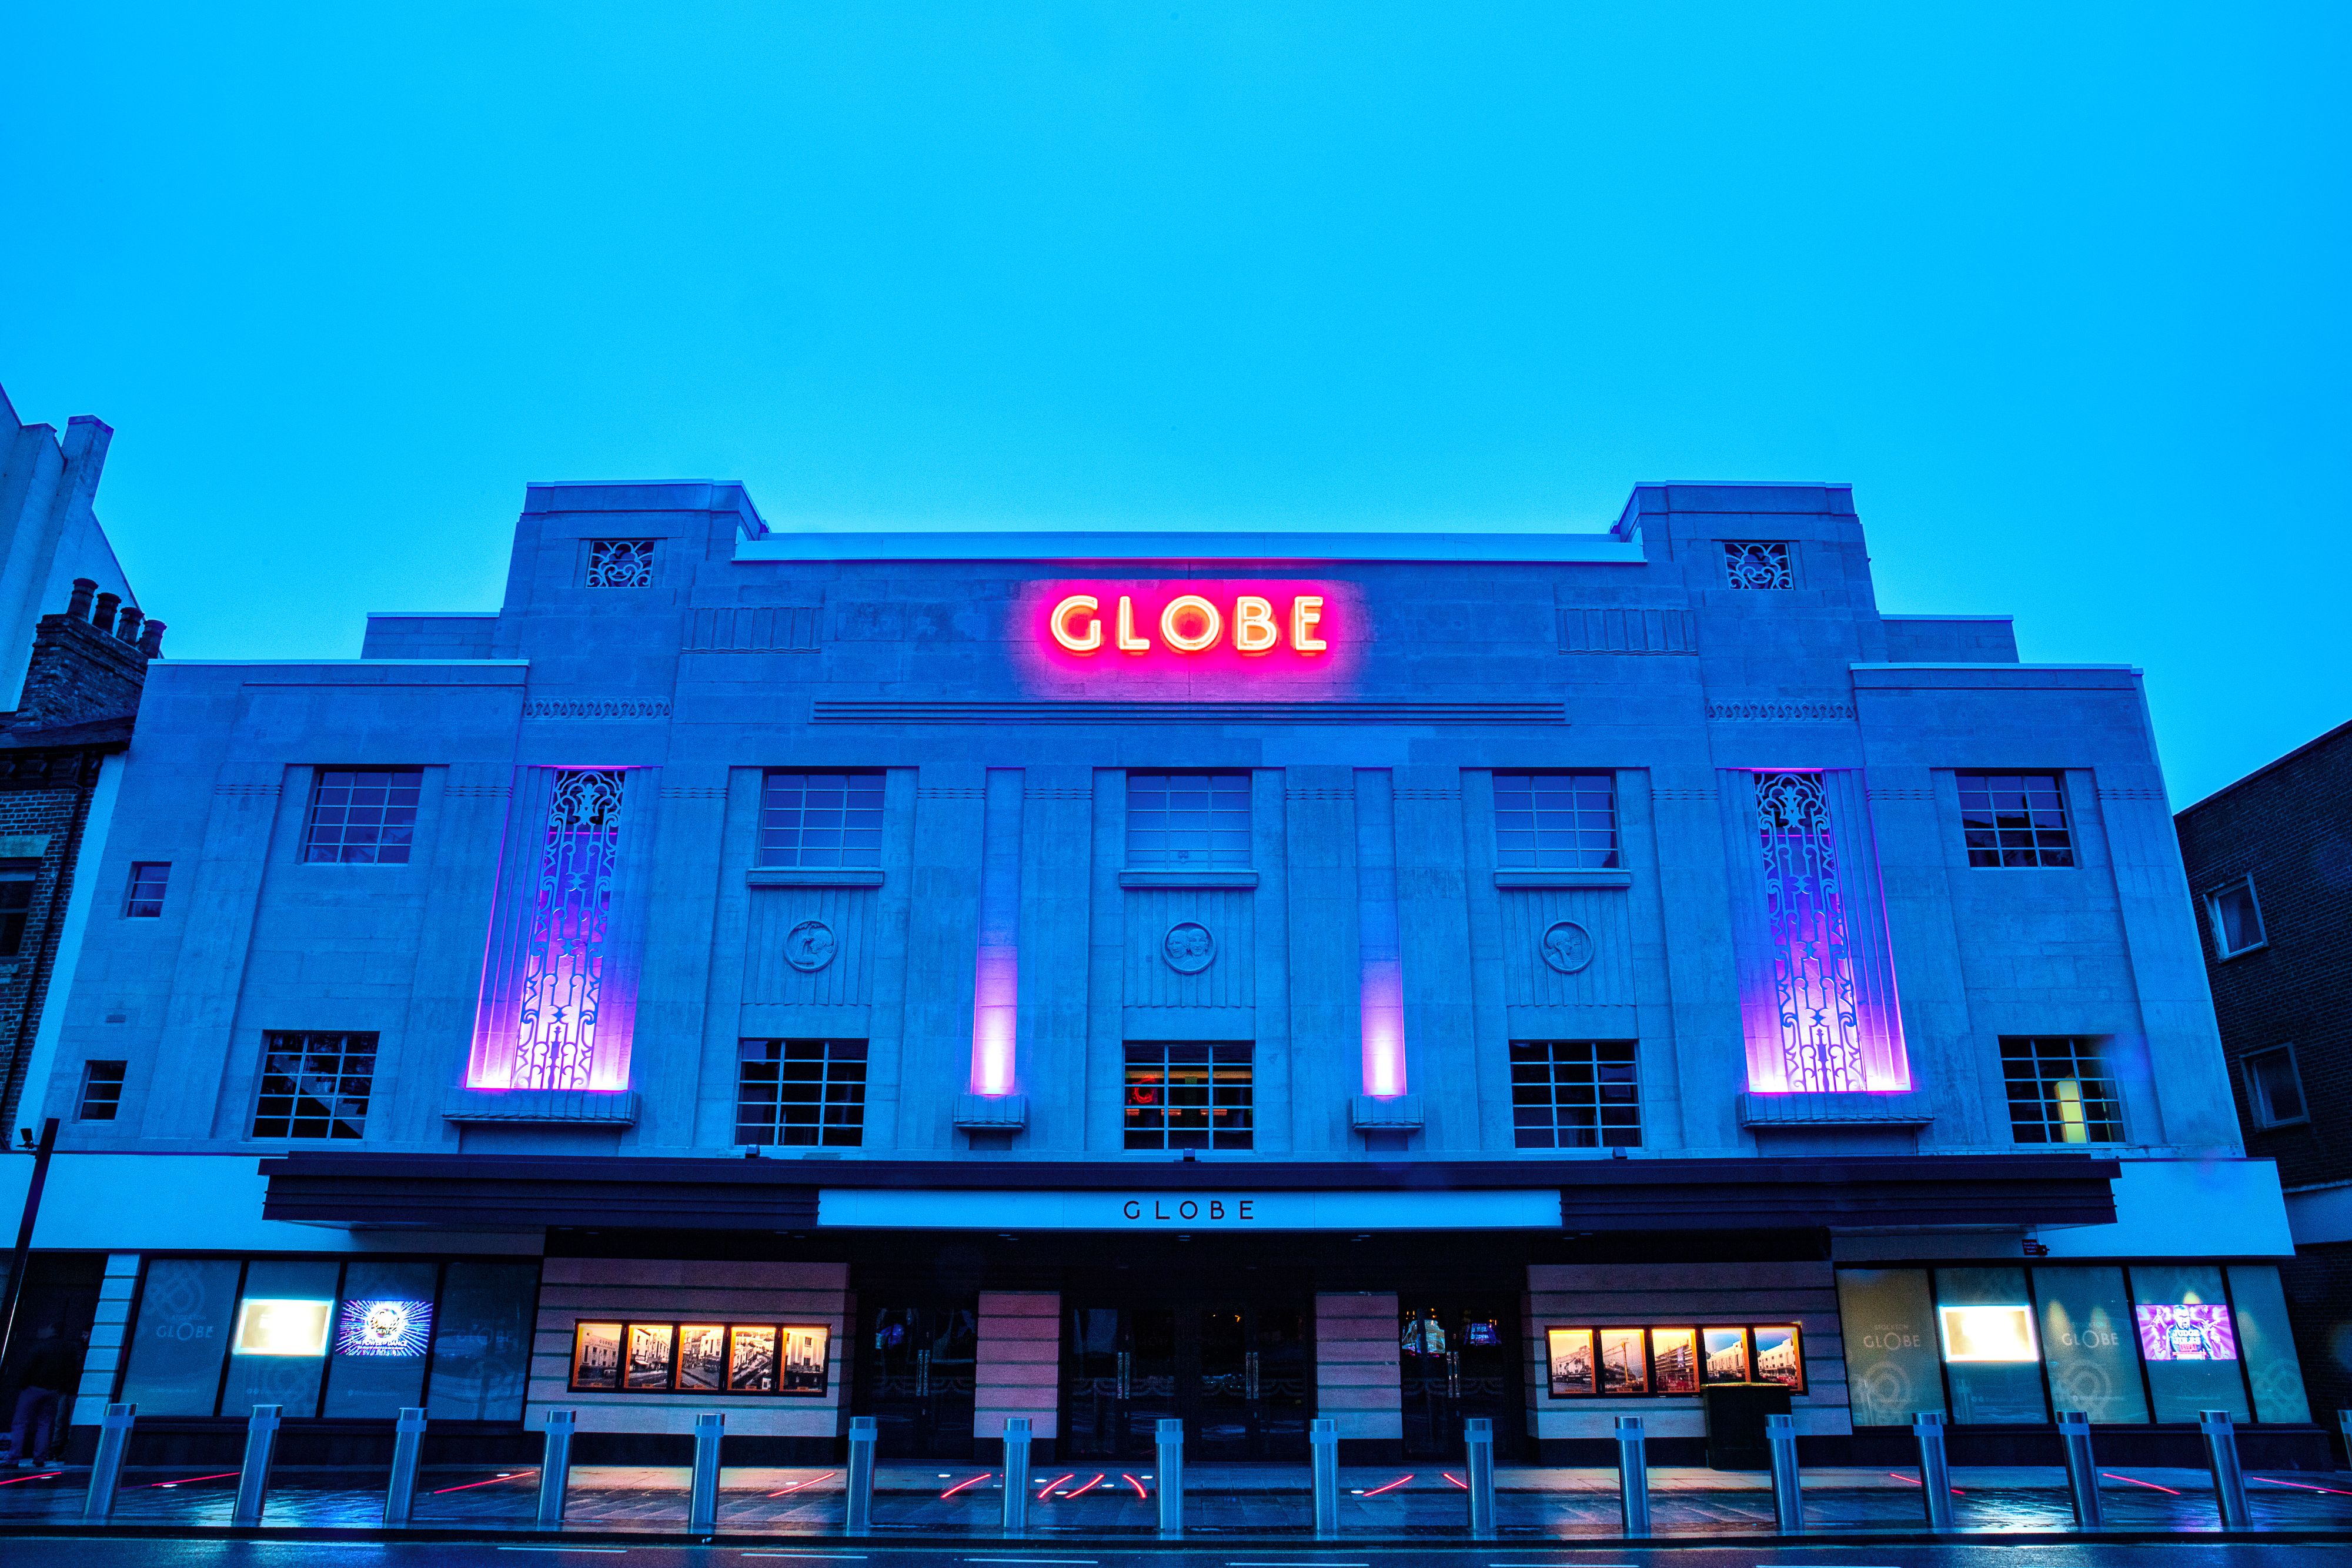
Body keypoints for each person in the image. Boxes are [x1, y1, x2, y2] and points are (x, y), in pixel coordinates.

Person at [8, 1323, 74, 1469]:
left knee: (20, 1423)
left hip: (33, 1388)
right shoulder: (67, 1349)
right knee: (45, 1424)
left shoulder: (40, 1347)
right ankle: (40, 1458)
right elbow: (70, 1370)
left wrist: (23, 1384)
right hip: (53, 1390)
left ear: (51, 1330)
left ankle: (14, 1457)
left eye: (45, 1328)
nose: (40, 1330)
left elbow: (28, 1368)